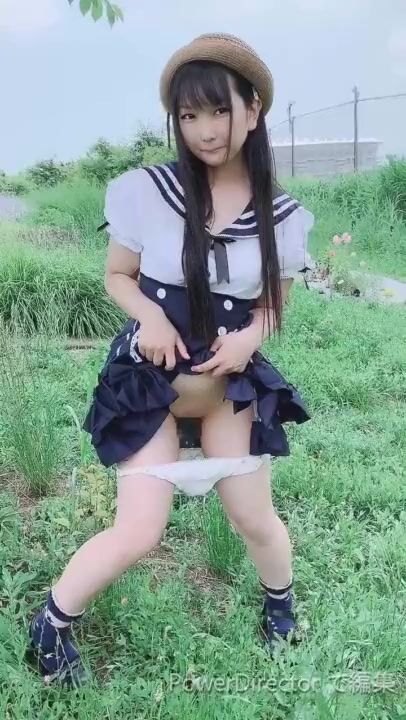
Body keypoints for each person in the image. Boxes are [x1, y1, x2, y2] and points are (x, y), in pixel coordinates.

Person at [27, 32, 315, 688]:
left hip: (226, 389)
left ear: (254, 110)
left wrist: (250, 339)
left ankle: (280, 611)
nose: (205, 130)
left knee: (252, 516)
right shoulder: (148, 192)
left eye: (219, 111)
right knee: (140, 530)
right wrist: (152, 318)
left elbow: (273, 305)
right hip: (149, 385)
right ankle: (49, 626)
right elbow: (117, 275)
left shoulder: (282, 216)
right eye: (189, 116)